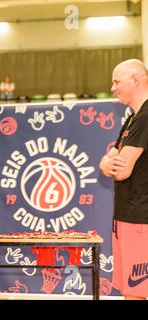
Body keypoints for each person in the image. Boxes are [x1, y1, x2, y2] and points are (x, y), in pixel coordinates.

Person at [99, 59, 148, 300]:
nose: (113, 87)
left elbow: (120, 170)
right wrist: (107, 164)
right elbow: (108, 161)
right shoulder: (133, 118)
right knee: (130, 292)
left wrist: (110, 165)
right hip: (128, 218)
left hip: (140, 220)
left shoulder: (146, 115)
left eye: (117, 81)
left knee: (136, 293)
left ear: (135, 80)